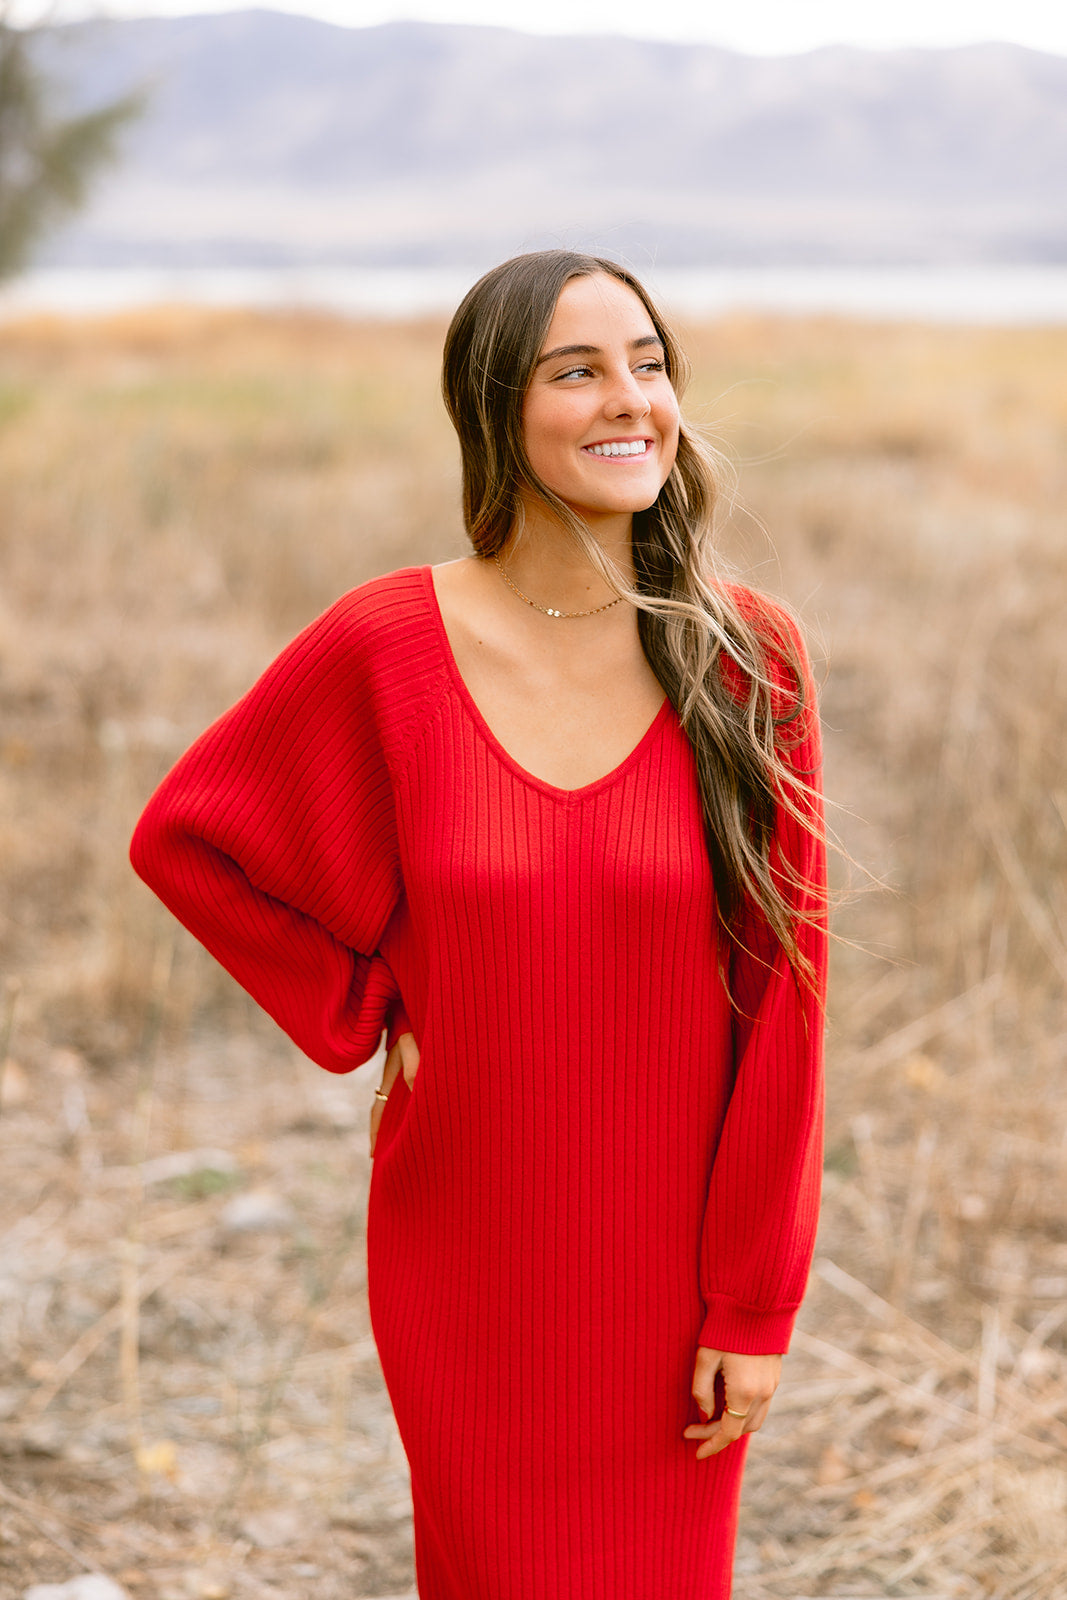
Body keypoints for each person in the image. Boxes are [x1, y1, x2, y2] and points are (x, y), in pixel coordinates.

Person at [130, 250, 827, 1599]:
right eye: (578, 370)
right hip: (471, 1270)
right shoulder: (385, 645)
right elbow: (188, 841)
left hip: (672, 1291)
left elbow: (785, 1003)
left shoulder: (747, 654)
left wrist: (756, 1299)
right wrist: (368, 1000)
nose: (630, 399)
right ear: (495, 408)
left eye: (649, 361)